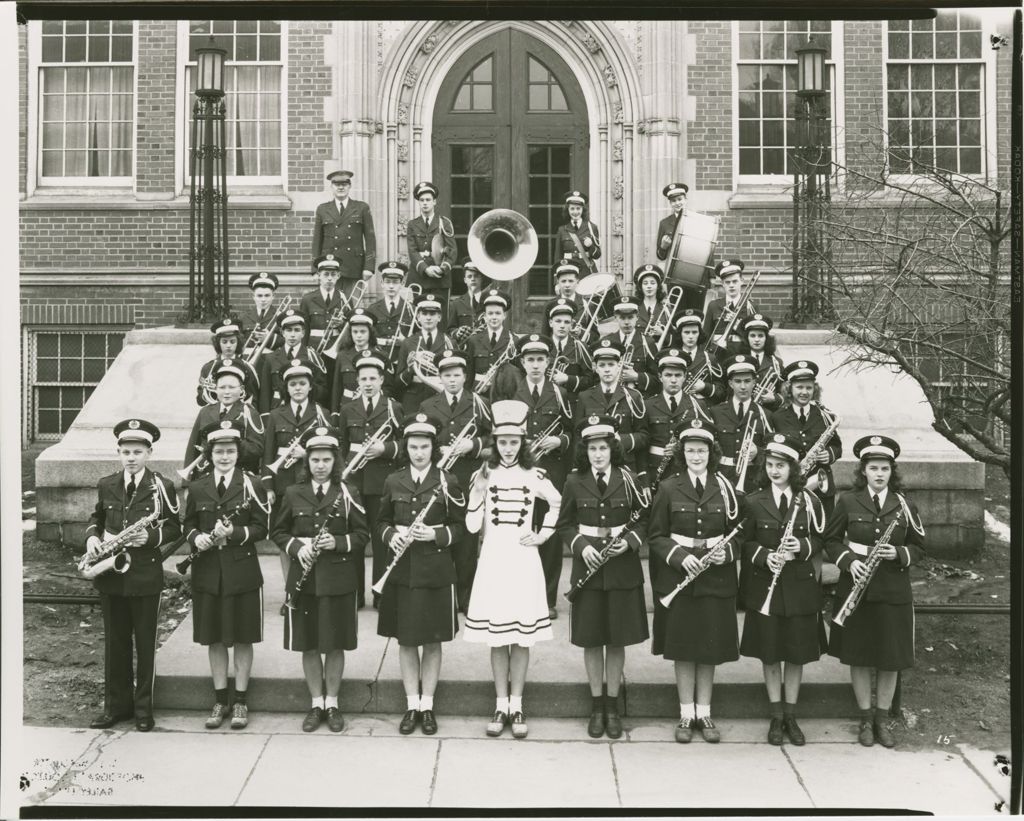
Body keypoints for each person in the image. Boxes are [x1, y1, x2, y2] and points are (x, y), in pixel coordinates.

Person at [464, 400, 562, 739]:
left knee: (521, 637)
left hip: (523, 558)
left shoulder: (534, 475)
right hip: (493, 558)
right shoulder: (484, 474)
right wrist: (477, 492)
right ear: (495, 443)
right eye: (502, 442)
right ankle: (500, 702)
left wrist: (543, 534)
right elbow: (470, 525)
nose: (508, 448)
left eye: (514, 442)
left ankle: (517, 703)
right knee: (497, 636)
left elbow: (558, 502)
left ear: (522, 443)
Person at [825, 434, 925, 749]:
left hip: (892, 590)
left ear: (891, 471)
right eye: (873, 468)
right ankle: (865, 718)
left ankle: (882, 720)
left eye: (884, 468)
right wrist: (849, 562)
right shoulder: (848, 501)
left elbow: (920, 547)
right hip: (856, 589)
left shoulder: (906, 505)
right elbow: (830, 541)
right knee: (858, 655)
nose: (879, 474)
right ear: (863, 471)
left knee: (889, 658)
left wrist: (900, 554)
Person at [647, 418, 743, 744]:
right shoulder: (668, 487)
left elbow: (740, 535)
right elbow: (656, 536)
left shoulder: (726, 487)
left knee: (709, 647)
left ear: (711, 452)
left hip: (715, 578)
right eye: (690, 450)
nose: (696, 456)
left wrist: (726, 554)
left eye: (702, 450)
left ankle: (705, 711)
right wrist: (679, 556)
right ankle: (686, 713)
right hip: (680, 577)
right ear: (682, 453)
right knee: (684, 647)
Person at [556, 415, 649, 739]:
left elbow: (644, 521)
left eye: (603, 447)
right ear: (586, 450)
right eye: (592, 448)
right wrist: (580, 547)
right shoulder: (573, 480)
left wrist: (630, 541)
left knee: (617, 637)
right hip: (589, 567)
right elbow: (564, 524)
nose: (598, 454)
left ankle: (612, 704)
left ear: (613, 448)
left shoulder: (630, 478)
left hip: (621, 567)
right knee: (592, 638)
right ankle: (597, 705)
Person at [84, 418, 181, 732]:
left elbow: (175, 526)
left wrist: (150, 538)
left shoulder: (162, 486)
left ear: (149, 453)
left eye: (138, 451)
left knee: (145, 645)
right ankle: (116, 708)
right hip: (111, 573)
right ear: (119, 452)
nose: (131, 457)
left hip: (143, 574)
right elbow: (96, 518)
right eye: (125, 451)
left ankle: (143, 710)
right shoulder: (106, 483)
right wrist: (92, 538)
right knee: (115, 643)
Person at [272, 425, 369, 733]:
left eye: (327, 460)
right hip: (304, 577)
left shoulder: (348, 492)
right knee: (309, 644)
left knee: (335, 644)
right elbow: (278, 532)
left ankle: (333, 703)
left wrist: (337, 543)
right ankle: (316, 703)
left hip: (338, 578)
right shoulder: (292, 492)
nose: (321, 465)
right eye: (315, 460)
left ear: (335, 462)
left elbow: (362, 534)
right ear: (307, 462)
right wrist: (297, 546)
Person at [376, 413, 466, 735]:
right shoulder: (393, 480)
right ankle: (411, 703)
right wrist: (391, 536)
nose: (418, 453)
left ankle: (427, 706)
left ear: (434, 448)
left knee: (431, 640)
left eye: (424, 446)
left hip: (435, 571)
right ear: (406, 448)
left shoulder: (448, 481)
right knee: (406, 639)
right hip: (401, 571)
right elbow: (381, 522)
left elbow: (461, 529)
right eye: (413, 446)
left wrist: (436, 536)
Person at [182, 420, 272, 731]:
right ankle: (220, 698)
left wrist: (234, 532)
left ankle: (241, 701)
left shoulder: (252, 484)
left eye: (230, 451)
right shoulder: (197, 486)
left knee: (244, 637)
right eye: (218, 451)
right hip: (208, 571)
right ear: (209, 454)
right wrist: (197, 539)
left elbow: (263, 528)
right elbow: (188, 523)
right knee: (215, 638)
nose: (224, 457)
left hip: (242, 570)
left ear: (238, 453)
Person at [739, 432, 827, 746]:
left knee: (796, 654)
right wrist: (764, 556)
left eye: (782, 465)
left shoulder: (810, 500)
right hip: (767, 586)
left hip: (800, 587)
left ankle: (791, 714)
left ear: (793, 468)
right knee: (770, 653)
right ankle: (776, 715)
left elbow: (820, 540)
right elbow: (744, 542)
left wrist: (801, 546)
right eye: (771, 465)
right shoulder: (752, 500)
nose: (776, 470)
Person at [418, 349, 492, 613]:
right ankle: (440, 598)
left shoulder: (479, 402)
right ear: (440, 377)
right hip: (439, 480)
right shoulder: (428, 406)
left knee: (468, 540)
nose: (452, 380)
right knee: (440, 537)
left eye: (456, 375)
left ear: (465, 376)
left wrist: (471, 445)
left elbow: (493, 439)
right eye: (446, 375)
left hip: (468, 478)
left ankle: (466, 597)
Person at [336, 351, 405, 608]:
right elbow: (342, 445)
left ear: (381, 380)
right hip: (354, 482)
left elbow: (405, 442)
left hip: (382, 482)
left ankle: (381, 592)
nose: (367, 383)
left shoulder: (393, 406)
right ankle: (354, 594)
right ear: (357, 381)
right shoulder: (347, 408)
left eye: (372, 378)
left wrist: (384, 449)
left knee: (380, 539)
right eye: (363, 378)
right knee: (354, 538)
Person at [260, 359, 332, 605]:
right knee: (286, 540)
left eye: (302, 383)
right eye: (293, 384)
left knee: (310, 536)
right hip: (282, 485)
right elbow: (267, 453)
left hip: (312, 484)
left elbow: (332, 451)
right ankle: (291, 592)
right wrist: (268, 486)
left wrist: (306, 455)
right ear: (286, 388)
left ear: (310, 387)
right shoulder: (275, 415)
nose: (298, 388)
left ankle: (312, 590)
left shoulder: (322, 413)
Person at [513, 334, 575, 619]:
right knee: (521, 530)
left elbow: (574, 431)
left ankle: (547, 600)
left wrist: (559, 442)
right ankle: (522, 594)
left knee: (549, 536)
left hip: (552, 471)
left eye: (540, 359)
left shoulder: (561, 393)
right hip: (521, 471)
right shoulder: (512, 393)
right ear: (523, 362)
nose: (535, 365)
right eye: (530, 360)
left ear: (548, 361)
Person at [770, 360, 842, 516]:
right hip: (789, 483)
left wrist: (829, 454)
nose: (804, 392)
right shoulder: (777, 417)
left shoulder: (825, 415)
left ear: (814, 390)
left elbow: (837, 446)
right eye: (799, 387)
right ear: (790, 389)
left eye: (809, 388)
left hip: (820, 485)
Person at [573, 339, 648, 475]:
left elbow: (643, 436)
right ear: (595, 367)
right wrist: (577, 469)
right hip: (593, 467)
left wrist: (621, 441)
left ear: (619, 365)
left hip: (625, 467)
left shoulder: (633, 396)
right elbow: (578, 438)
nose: (607, 369)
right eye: (602, 365)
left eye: (611, 364)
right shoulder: (584, 397)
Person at [644, 347, 713, 491]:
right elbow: (643, 445)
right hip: (655, 472)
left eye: (678, 375)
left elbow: (709, 442)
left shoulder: (697, 405)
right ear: (659, 376)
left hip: (686, 472)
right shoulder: (647, 405)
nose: (673, 380)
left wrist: (680, 448)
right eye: (668, 375)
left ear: (685, 377)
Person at [183, 360, 265, 479]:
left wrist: (233, 442)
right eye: (222, 387)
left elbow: (257, 449)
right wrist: (187, 483)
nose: (226, 392)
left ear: (241, 389)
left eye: (232, 387)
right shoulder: (205, 412)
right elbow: (192, 449)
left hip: (239, 476)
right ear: (215, 389)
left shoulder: (250, 413)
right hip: (207, 477)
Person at [709, 354, 773, 494]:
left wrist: (758, 452)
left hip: (753, 480)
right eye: (738, 381)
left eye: (747, 381)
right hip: (722, 477)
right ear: (731, 384)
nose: (743, 386)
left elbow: (772, 450)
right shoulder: (716, 412)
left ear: (754, 382)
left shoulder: (765, 414)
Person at [310, 168, 376, 296]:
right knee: (329, 305)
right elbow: (317, 240)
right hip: (329, 267)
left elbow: (370, 239)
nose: (341, 188)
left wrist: (369, 267)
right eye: (337, 185)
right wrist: (314, 269)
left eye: (344, 184)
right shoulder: (323, 209)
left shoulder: (361, 207)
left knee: (351, 307)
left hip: (354, 266)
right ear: (332, 187)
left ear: (349, 186)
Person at [406, 181, 457, 324]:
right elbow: (412, 250)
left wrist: (442, 268)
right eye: (421, 200)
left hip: (440, 279)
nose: (425, 203)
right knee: (418, 320)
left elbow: (452, 250)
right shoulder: (412, 225)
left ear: (434, 201)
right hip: (419, 278)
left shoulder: (444, 223)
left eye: (428, 200)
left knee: (440, 320)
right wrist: (425, 268)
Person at [394, 292, 454, 413]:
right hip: (413, 400)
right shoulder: (408, 343)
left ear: (439, 317)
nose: (428, 317)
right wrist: (410, 369)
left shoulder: (449, 342)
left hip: (439, 398)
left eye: (432, 314)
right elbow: (398, 382)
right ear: (418, 317)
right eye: (424, 313)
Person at [300, 256, 347, 398]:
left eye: (333, 274)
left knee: (335, 384)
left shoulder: (343, 298)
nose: (329, 278)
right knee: (316, 384)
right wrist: (303, 352)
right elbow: (303, 328)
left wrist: (342, 324)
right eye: (326, 274)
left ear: (338, 276)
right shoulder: (308, 299)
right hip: (314, 349)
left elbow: (351, 326)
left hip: (336, 348)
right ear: (318, 275)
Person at [262, 308, 328, 408]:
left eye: (297, 330)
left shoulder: (312, 356)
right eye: (288, 330)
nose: (292, 335)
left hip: (306, 408)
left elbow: (322, 390)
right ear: (282, 332)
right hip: (278, 408)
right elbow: (265, 393)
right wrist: (265, 415)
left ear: (303, 333)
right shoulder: (271, 358)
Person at [655, 181, 704, 312]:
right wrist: (663, 247)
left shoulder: (698, 221)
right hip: (675, 277)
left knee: (696, 312)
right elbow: (660, 255)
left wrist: (710, 276)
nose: (677, 203)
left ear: (685, 199)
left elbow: (707, 248)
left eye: (680, 199)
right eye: (673, 201)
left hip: (696, 275)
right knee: (678, 313)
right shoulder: (665, 223)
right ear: (670, 203)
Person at [464, 288, 520, 401]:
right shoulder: (473, 340)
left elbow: (517, 375)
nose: (494, 317)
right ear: (484, 316)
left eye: (498, 313)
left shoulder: (514, 340)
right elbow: (468, 374)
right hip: (478, 393)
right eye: (490, 313)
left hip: (504, 394)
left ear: (504, 315)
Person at [329, 308, 388, 411]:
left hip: (373, 405)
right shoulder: (342, 356)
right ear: (350, 333)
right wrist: (335, 412)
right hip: (347, 405)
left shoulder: (381, 355)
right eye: (355, 332)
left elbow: (388, 387)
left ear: (370, 333)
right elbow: (336, 388)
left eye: (363, 331)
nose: (359, 335)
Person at [196, 318, 262, 410]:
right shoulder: (208, 368)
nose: (228, 345)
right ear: (218, 343)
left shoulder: (247, 368)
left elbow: (254, 399)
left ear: (238, 342)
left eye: (232, 341)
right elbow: (200, 401)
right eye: (224, 342)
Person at [599, 295, 659, 396]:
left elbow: (658, 379)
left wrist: (637, 377)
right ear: (616, 318)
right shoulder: (607, 342)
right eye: (622, 318)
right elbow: (597, 377)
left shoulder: (647, 342)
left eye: (630, 317)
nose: (627, 322)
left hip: (639, 399)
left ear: (637, 317)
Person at [366, 260, 415, 371]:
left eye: (395, 282)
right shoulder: (372, 309)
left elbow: (418, 338)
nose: (391, 286)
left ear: (402, 284)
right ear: (382, 283)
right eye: (387, 282)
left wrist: (406, 342)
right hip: (378, 358)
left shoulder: (412, 309)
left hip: (403, 359)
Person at [702, 260, 756, 355]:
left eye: (735, 281)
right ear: (723, 284)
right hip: (717, 354)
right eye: (727, 282)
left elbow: (757, 336)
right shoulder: (713, 305)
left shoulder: (750, 306)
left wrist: (737, 324)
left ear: (742, 281)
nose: (731, 285)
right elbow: (706, 335)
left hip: (743, 353)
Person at [674, 309, 726, 405]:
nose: (690, 336)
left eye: (694, 332)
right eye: (686, 332)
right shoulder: (672, 358)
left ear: (699, 333)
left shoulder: (709, 358)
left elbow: (722, 393)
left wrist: (705, 387)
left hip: (703, 411)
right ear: (680, 334)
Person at [545, 299, 595, 397]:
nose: (562, 326)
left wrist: (568, 379)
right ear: (551, 323)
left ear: (572, 324)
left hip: (571, 404)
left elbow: (590, 380)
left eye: (566, 322)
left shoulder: (580, 347)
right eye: (558, 321)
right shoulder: (543, 347)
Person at [740, 313, 785, 413]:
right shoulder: (739, 360)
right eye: (752, 335)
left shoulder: (776, 362)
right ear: (747, 338)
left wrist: (774, 398)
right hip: (743, 410)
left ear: (766, 338)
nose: (756, 339)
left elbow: (784, 390)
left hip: (769, 411)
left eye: (760, 336)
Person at [555, 191, 601, 275]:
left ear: (583, 210)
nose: (575, 212)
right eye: (572, 208)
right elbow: (558, 257)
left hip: (586, 271)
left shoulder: (591, 227)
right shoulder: (562, 230)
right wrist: (557, 281)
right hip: (568, 271)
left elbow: (597, 255)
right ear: (567, 210)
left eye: (578, 208)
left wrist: (591, 246)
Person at [447, 259, 487, 338]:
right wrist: (457, 332)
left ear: (481, 279)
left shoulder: (489, 301)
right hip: (465, 347)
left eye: (476, 276)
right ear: (465, 280)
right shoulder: (456, 304)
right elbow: (450, 330)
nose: (473, 279)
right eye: (469, 276)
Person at [635, 264, 668, 344]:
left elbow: (676, 338)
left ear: (658, 286)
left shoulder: (667, 310)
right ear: (640, 287)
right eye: (645, 283)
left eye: (652, 283)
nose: (649, 286)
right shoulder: (634, 309)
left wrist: (662, 334)